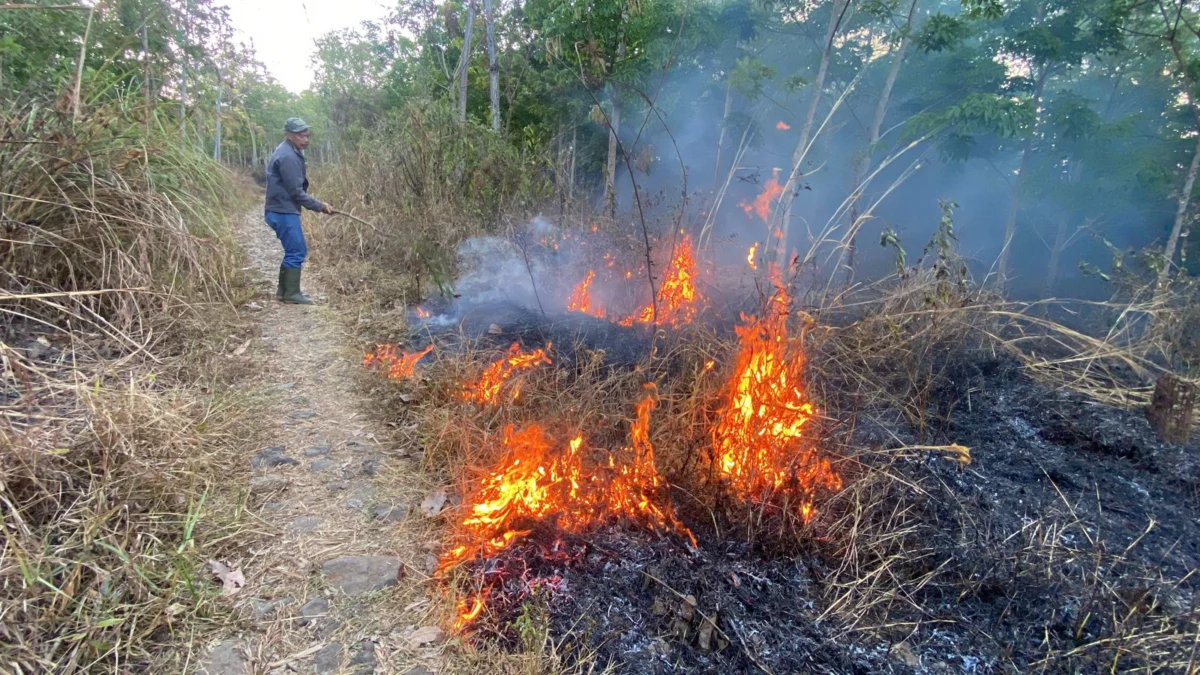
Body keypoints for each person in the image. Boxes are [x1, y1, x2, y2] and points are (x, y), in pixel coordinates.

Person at [264, 117, 335, 304]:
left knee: (292, 250)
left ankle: (283, 291)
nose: (305, 140)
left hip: (280, 209)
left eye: (306, 135)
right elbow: (296, 192)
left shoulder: (290, 151)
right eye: (300, 136)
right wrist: (321, 206)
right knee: (297, 250)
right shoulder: (288, 156)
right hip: (282, 211)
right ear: (289, 135)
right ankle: (291, 293)